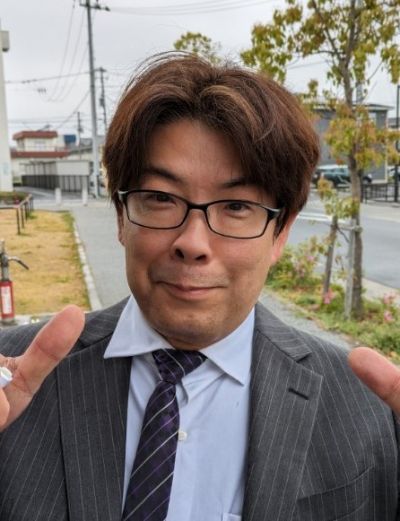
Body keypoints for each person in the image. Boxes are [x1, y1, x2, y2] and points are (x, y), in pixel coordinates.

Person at [0, 53, 399, 521]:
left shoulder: (366, 405)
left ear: (281, 233)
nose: (192, 243)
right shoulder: (14, 385)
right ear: (122, 217)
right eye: (160, 198)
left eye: (236, 206)